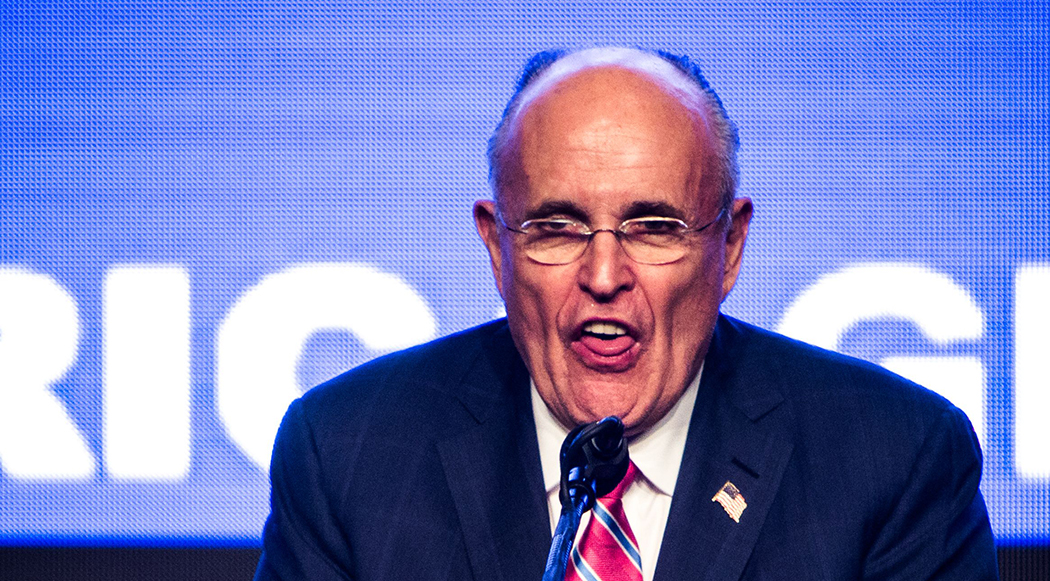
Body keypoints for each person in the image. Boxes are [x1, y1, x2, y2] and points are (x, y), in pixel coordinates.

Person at [254, 47, 998, 580]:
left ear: (730, 245)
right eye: (556, 226)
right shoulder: (347, 456)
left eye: (654, 226)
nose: (604, 275)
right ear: (495, 245)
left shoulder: (895, 461)